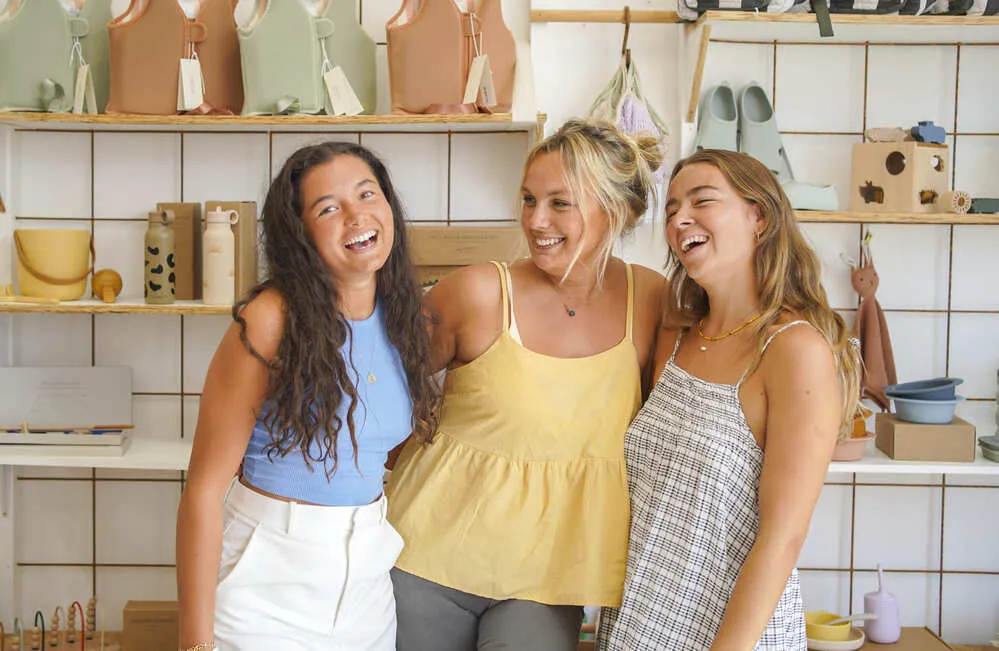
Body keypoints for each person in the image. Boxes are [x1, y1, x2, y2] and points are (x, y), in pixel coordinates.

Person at [385, 117, 666, 651]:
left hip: (549, 575)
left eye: (561, 203)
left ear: (615, 209)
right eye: (529, 199)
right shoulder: (477, 291)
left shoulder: (650, 300)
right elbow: (379, 385)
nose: (537, 220)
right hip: (426, 554)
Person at [176, 141, 439, 651]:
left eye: (368, 194)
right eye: (329, 208)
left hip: (365, 586)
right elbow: (204, 492)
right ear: (299, 233)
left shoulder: (406, 314)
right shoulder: (271, 320)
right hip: (266, 581)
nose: (356, 216)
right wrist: (194, 641)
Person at [597, 149, 863, 651]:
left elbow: (783, 537)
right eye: (672, 208)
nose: (680, 219)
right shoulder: (673, 340)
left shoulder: (793, 349)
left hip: (733, 634)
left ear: (758, 217)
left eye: (703, 201)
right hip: (641, 620)